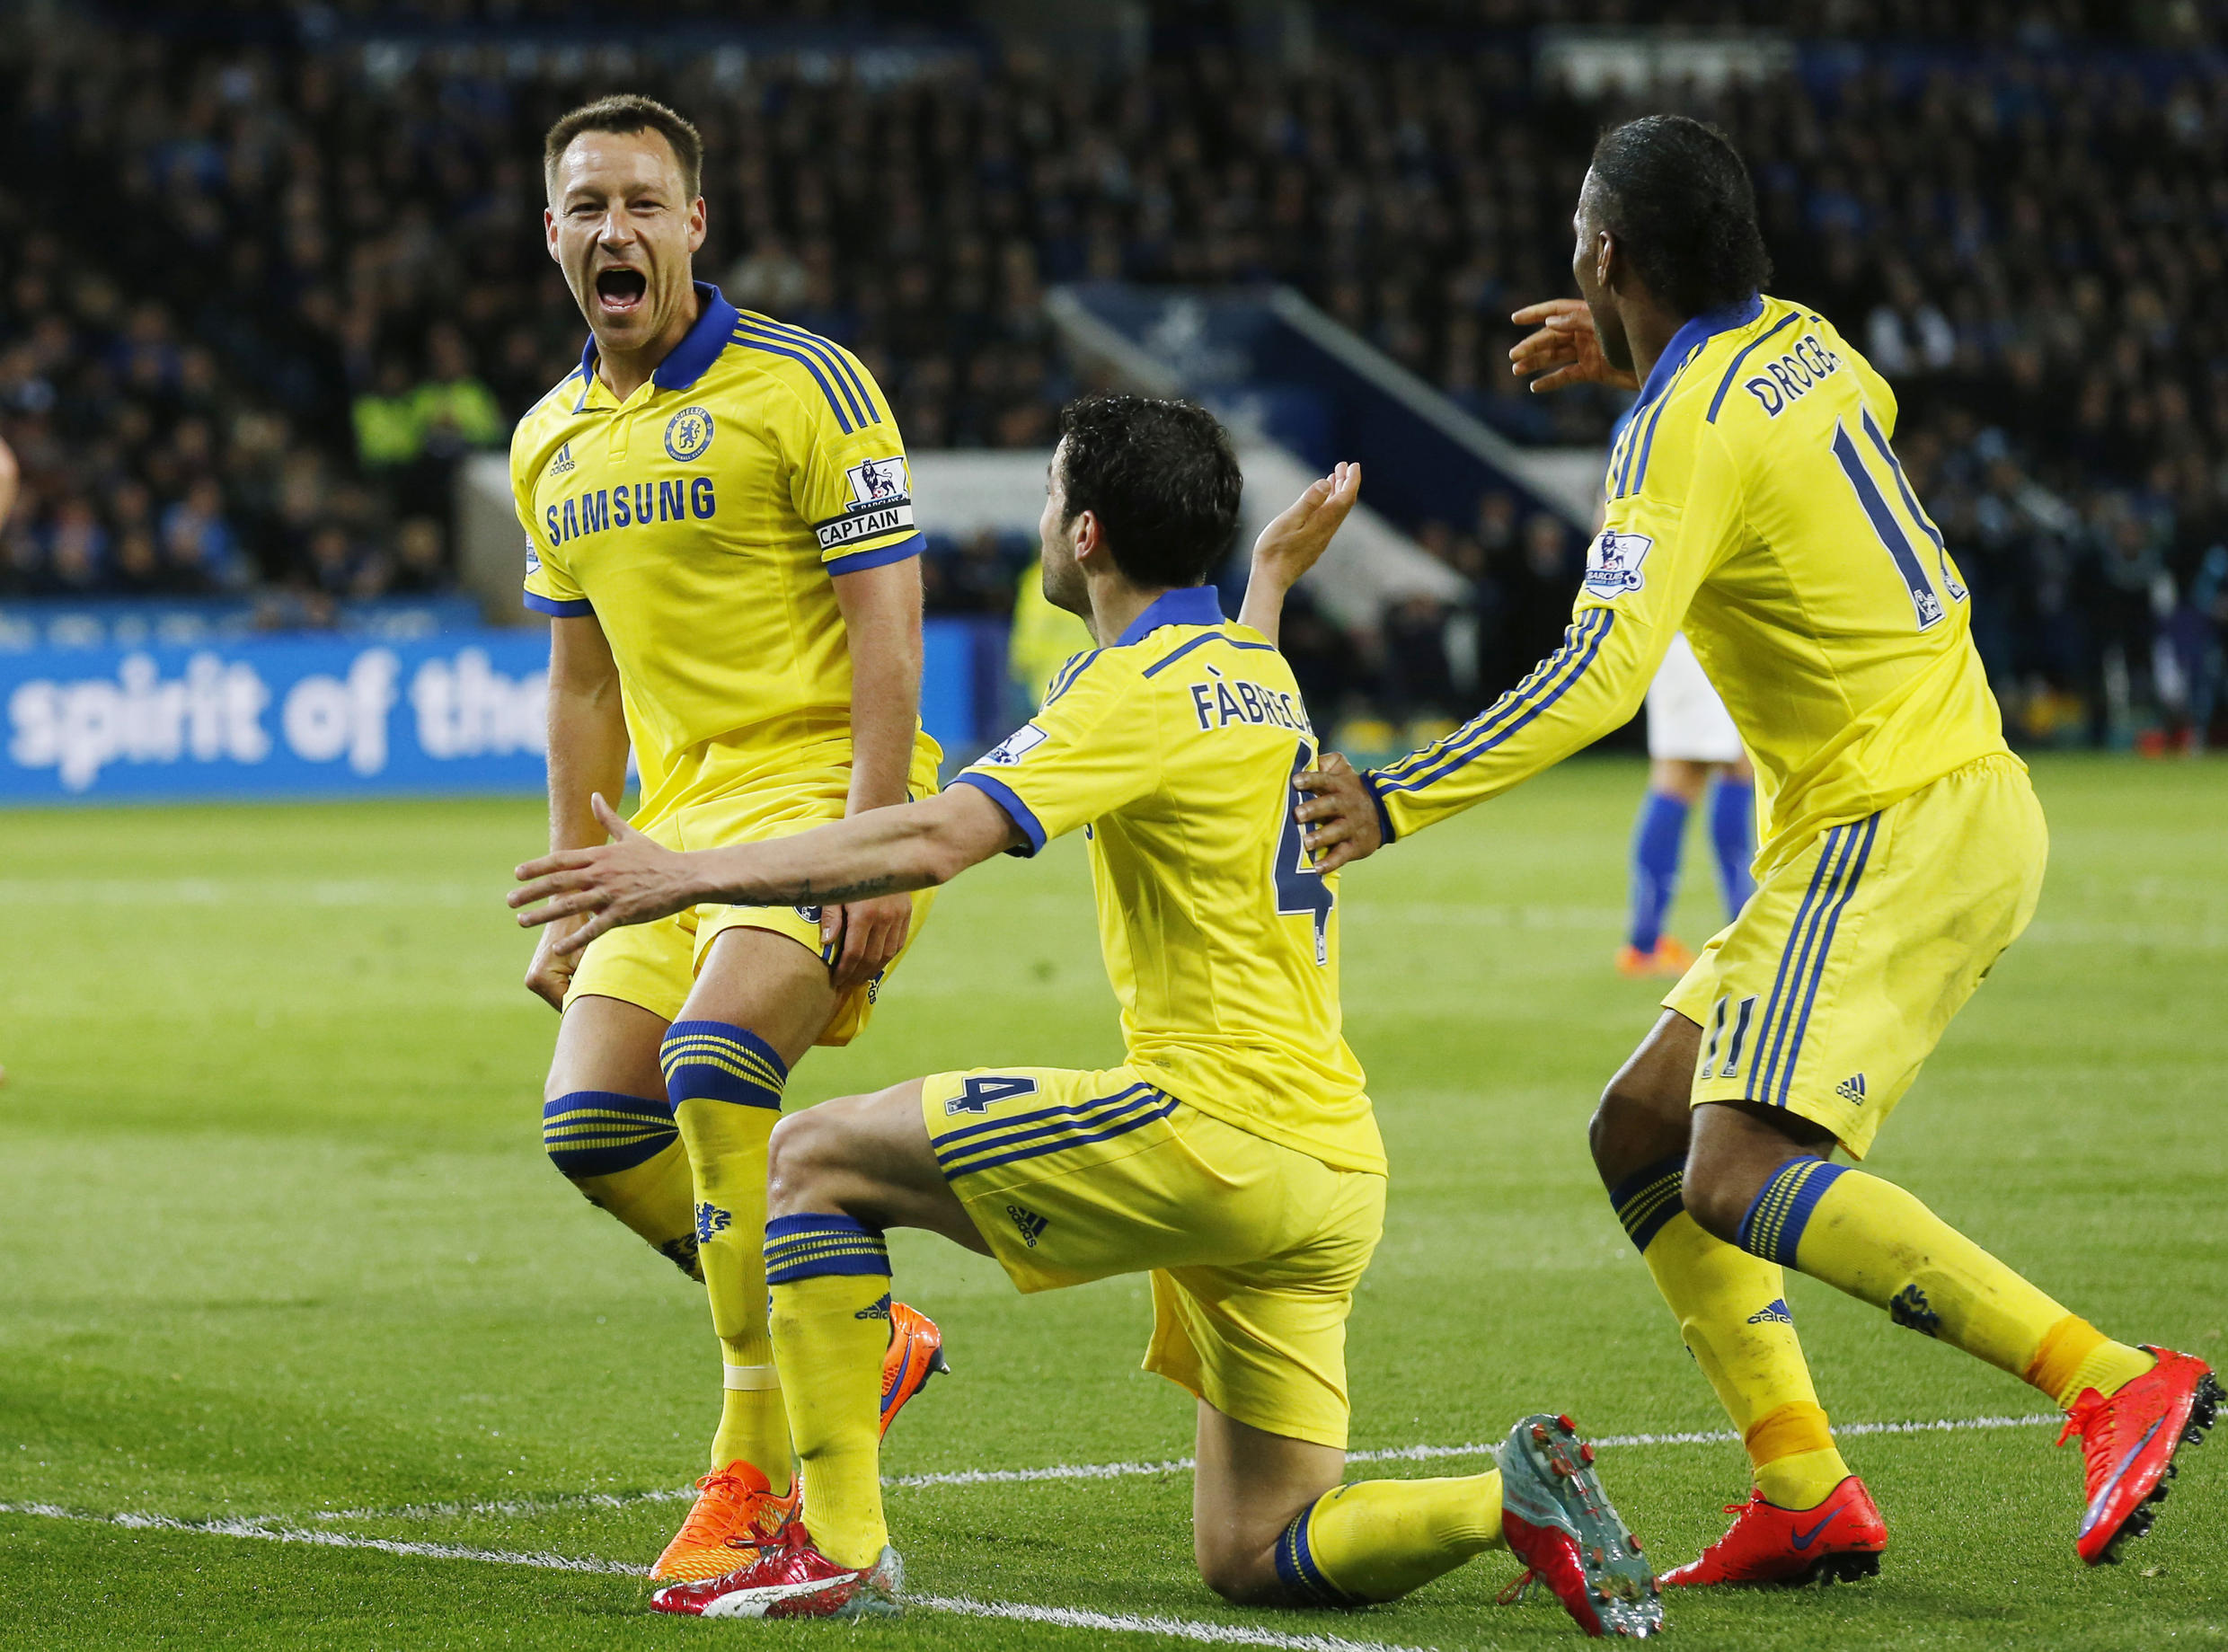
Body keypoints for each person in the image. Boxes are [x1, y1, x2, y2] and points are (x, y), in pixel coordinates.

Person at [511, 396, 1664, 1636]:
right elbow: (1217, 679)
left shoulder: (1133, 690)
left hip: (1209, 1129)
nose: (1042, 522)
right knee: (1255, 1548)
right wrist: (1268, 569)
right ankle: (1509, 1501)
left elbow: (939, 832)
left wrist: (678, 875)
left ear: (1092, 534)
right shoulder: (1257, 672)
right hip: (1327, 1164)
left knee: (808, 1159)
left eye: (1054, 498)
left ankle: (834, 1541)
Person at [1283, 115, 2216, 1586]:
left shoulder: (1679, 426)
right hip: (1919, 794)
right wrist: (1649, 364)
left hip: (1893, 814)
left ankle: (2113, 1376)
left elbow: (1598, 671)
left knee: (1734, 1165)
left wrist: (1401, 791)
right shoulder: (1804, 340)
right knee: (1642, 1130)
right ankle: (1803, 1486)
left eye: (1581, 235)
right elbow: (1846, 413)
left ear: (1610, 257)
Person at [511, 93, 948, 1584]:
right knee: (592, 1123)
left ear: (696, 223)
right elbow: (581, 679)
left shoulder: (808, 385)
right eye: (588, 207)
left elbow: (889, 622)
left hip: (823, 789)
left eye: (643, 202)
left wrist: (877, 840)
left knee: (709, 1063)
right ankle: (856, 1325)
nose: (614, 230)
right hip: (671, 828)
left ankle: (752, 1467)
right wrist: (576, 883)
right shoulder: (549, 440)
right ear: (553, 234)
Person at [1618, 631, 1755, 978]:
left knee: (1738, 765)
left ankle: (1743, 930)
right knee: (1685, 777)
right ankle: (1645, 945)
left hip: (1688, 641)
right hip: (1699, 642)